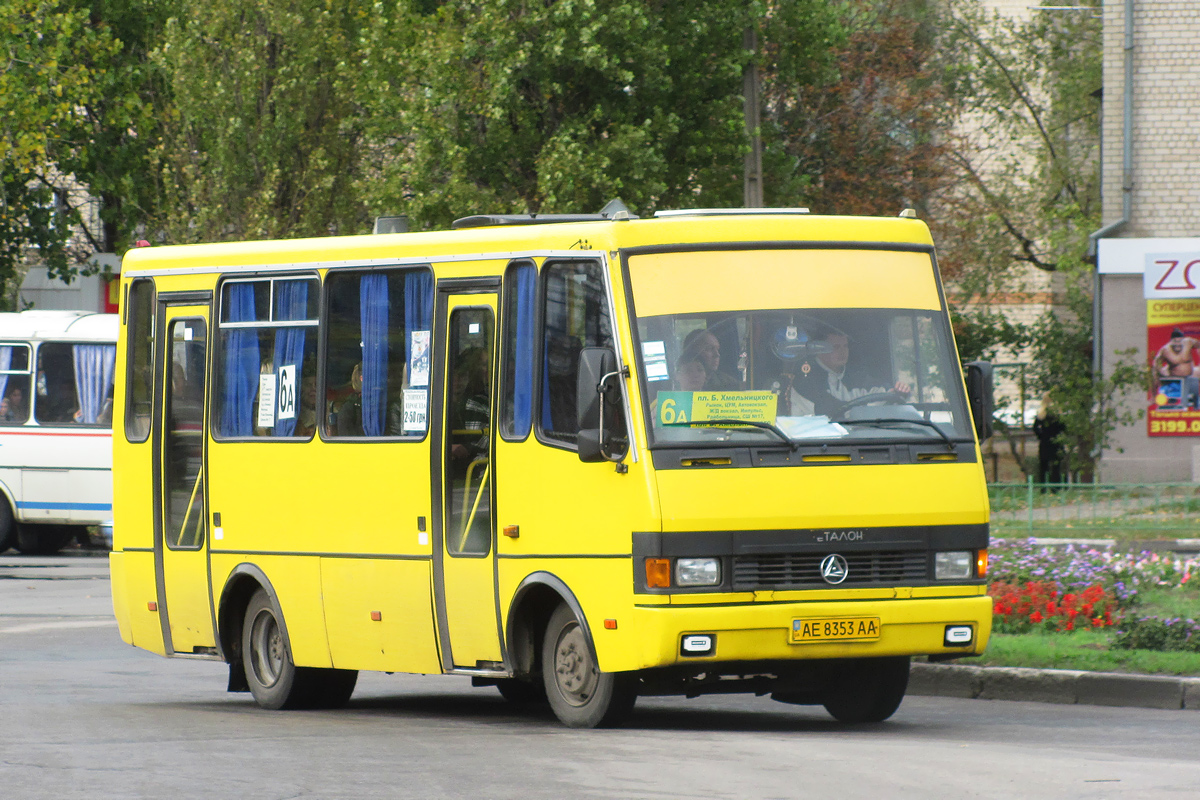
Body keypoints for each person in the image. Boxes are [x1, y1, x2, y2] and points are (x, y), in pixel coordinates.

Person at [787, 325, 911, 417]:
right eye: (836, 347)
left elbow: (880, 392)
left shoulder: (857, 377)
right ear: (820, 349)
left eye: (845, 346)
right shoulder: (805, 378)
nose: (843, 352)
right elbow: (831, 411)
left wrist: (896, 393)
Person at [1152, 328, 1200, 409]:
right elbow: (1156, 362)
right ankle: (1154, 398)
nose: (1178, 344)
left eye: (1180, 342)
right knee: (1153, 374)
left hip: (1191, 376)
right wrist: (1161, 371)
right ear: (1171, 341)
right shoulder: (1165, 350)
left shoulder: (1189, 342)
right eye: (1175, 342)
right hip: (1175, 378)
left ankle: (1196, 403)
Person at [1033, 394, 1065, 487]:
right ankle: (1056, 487)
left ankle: (1043, 487)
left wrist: (1041, 436)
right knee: (1056, 466)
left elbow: (1035, 428)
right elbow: (1064, 428)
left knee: (1043, 466)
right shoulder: (1058, 415)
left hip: (1045, 442)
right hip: (1056, 442)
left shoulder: (1041, 414)